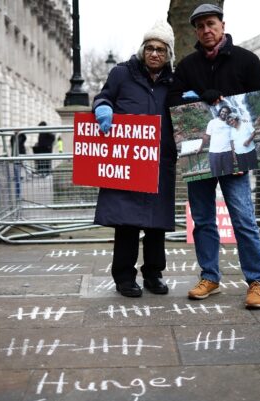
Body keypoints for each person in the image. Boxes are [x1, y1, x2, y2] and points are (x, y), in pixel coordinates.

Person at [168, 4, 260, 309]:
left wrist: (246, 155)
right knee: (202, 220)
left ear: (222, 25)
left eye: (210, 24)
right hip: (200, 155)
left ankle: (258, 281)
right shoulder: (186, 66)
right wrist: (201, 97)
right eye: (200, 27)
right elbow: (174, 101)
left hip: (235, 156)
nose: (206, 31)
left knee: (243, 219)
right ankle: (210, 276)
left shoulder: (247, 60)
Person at [92, 20, 177, 298]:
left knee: (156, 224)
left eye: (161, 50)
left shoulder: (174, 81)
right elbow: (103, 97)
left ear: (169, 55)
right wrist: (103, 108)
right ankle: (124, 277)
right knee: (126, 222)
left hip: (160, 162)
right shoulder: (121, 74)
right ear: (142, 50)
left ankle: (153, 274)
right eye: (150, 48)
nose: (155, 54)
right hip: (129, 162)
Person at [197, 104, 235, 176]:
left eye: (226, 112)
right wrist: (200, 148)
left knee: (230, 174)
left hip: (227, 153)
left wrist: (233, 154)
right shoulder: (212, 122)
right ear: (220, 111)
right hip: (214, 153)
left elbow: (231, 141)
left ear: (228, 114)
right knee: (216, 175)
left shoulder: (230, 124)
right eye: (222, 111)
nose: (224, 113)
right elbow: (206, 137)